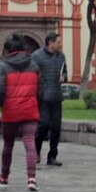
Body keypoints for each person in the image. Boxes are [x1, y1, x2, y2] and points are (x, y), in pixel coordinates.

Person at [0, 33, 42, 192]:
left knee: (8, 145)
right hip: (29, 110)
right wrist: (36, 104)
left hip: (10, 112)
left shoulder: (2, 67)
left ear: (7, 49)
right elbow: (40, 90)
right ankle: (31, 179)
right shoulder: (34, 66)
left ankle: (4, 177)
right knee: (29, 142)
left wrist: (0, 103)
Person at [32, 32, 67, 166]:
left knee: (56, 128)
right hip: (43, 97)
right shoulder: (37, 56)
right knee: (43, 125)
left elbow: (65, 72)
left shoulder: (61, 57)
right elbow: (32, 74)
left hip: (57, 96)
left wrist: (64, 77)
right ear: (50, 43)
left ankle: (52, 155)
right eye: (58, 42)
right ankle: (36, 150)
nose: (60, 44)